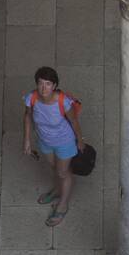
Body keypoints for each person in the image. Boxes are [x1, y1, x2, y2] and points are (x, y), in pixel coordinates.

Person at [22, 66, 85, 228]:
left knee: (63, 172)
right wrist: (27, 140)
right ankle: (57, 190)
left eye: (48, 84)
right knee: (54, 168)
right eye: (41, 83)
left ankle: (62, 205)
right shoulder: (32, 98)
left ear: (55, 86)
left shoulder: (63, 101)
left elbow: (73, 121)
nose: (44, 88)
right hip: (45, 141)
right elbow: (28, 116)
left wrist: (79, 140)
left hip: (64, 142)